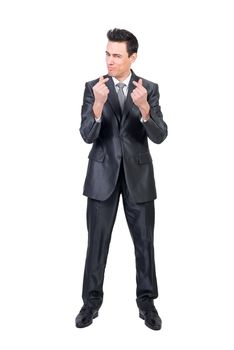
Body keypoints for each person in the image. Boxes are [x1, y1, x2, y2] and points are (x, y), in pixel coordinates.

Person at [75, 28, 168, 331]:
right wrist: (98, 105)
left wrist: (144, 109)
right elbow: (87, 134)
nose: (109, 61)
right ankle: (90, 303)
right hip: (102, 176)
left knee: (145, 244)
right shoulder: (93, 87)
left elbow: (160, 135)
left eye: (116, 55)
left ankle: (147, 303)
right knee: (96, 244)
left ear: (132, 57)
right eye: (107, 53)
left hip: (138, 178)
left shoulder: (149, 88)